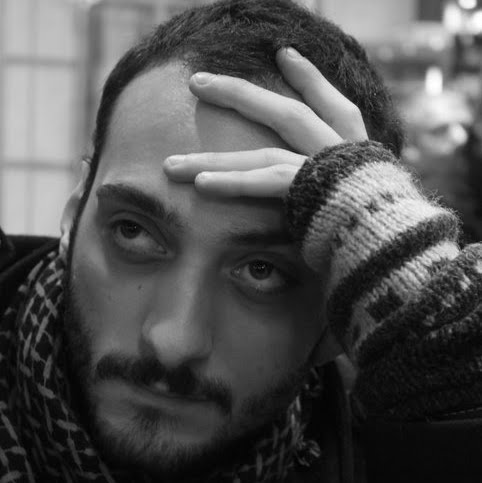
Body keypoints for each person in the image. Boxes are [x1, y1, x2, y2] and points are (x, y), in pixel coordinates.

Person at [0, 0, 480, 482]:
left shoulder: (386, 448)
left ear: (332, 329)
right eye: (133, 232)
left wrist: (446, 380)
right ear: (73, 214)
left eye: (261, 271)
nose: (172, 343)